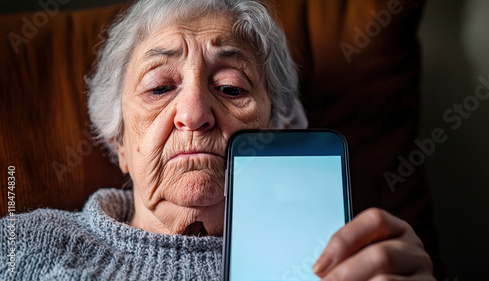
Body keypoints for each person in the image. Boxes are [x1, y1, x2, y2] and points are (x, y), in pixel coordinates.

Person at [0, 0, 435, 280]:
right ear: (118, 143)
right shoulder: (24, 244)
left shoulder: (341, 261)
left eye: (231, 88)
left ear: (279, 130)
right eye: (159, 88)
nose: (193, 114)